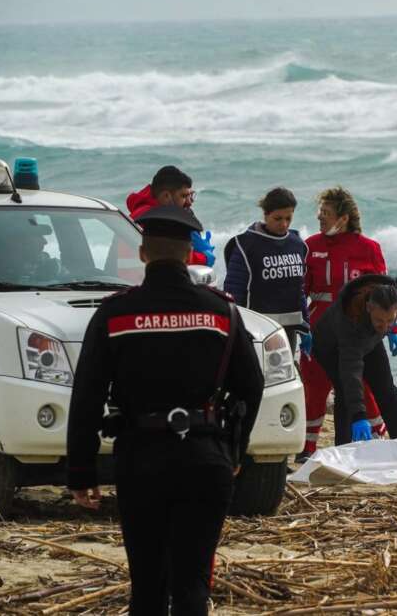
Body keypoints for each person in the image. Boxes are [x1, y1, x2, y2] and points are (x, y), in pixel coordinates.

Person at [67, 205, 263, 615]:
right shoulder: (222, 312)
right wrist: (235, 450)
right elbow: (252, 384)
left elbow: (86, 395)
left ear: (142, 253)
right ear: (191, 254)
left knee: (148, 585)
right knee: (192, 585)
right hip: (206, 459)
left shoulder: (114, 313)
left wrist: (81, 473)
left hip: (141, 460)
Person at [298, 186, 397, 458]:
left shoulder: (369, 249)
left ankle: (377, 439)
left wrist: (393, 329)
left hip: (358, 333)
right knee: (314, 386)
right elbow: (300, 291)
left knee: (362, 386)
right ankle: (306, 448)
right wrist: (300, 326)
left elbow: (387, 293)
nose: (321, 217)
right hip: (319, 331)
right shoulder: (310, 246)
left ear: (343, 218)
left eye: (326, 213)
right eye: (320, 212)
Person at [311, 274, 397, 445]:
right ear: (368, 307)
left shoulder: (393, 296)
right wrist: (359, 416)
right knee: (345, 391)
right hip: (330, 347)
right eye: (380, 320)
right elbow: (351, 373)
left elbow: (387, 320)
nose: (385, 326)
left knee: (387, 390)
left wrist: (393, 331)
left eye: (390, 320)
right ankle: (344, 447)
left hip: (369, 340)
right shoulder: (350, 320)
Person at [223, 187, 309, 349]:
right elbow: (234, 290)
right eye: (277, 218)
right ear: (266, 214)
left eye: (288, 218)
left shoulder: (297, 244)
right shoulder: (246, 245)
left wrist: (305, 327)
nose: (284, 224)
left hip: (289, 330)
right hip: (256, 330)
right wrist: (235, 329)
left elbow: (299, 290)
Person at [126, 165, 215, 266]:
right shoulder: (153, 219)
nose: (189, 202)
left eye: (190, 195)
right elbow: (169, 256)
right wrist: (204, 258)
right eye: (183, 196)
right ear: (166, 196)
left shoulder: (140, 213)